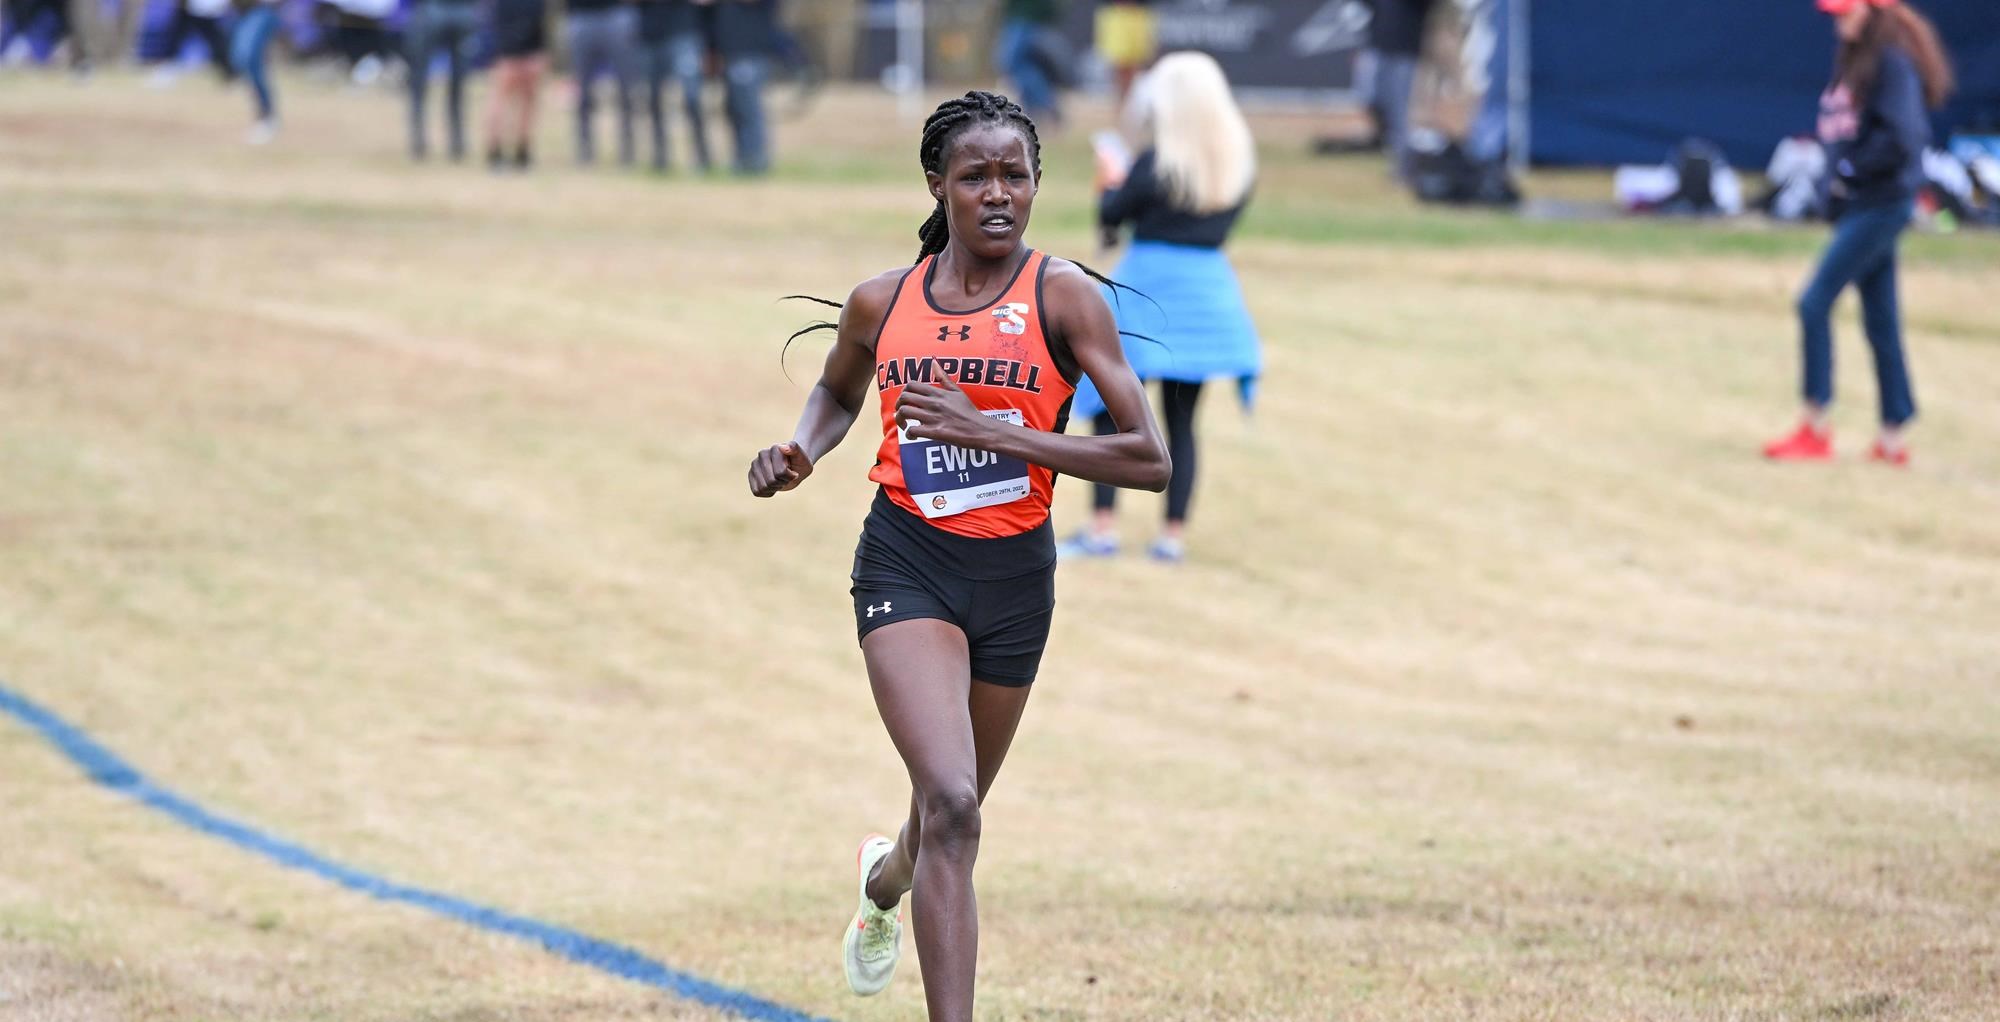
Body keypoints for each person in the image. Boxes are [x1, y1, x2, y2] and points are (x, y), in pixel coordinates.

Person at [745, 90, 1169, 1022]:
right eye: (975, 177)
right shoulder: (882, 301)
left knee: (945, 818)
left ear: (1036, 185)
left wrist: (1005, 437)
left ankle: (882, 887)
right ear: (939, 185)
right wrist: (801, 451)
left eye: (1015, 175)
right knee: (955, 801)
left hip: (1017, 580)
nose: (997, 194)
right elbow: (835, 391)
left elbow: (1149, 460)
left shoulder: (1064, 297)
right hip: (908, 562)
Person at [1061, 51, 1258, 564]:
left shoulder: (1156, 164)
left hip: (1146, 293)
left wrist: (1109, 180)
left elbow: (1113, 216)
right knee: (1183, 421)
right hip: (1207, 294)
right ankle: (1172, 536)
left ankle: (1102, 526)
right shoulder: (1235, 162)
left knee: (1113, 411)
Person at [1764, 0, 1953, 467]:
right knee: (1881, 320)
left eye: (1848, 11)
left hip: (1881, 204)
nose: (1839, 19)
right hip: (1860, 204)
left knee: (1813, 302)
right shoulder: (1856, 59)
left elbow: (1904, 137)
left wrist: (1850, 171)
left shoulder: (1891, 62)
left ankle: (1815, 425)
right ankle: (1893, 436)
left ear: (1875, 11)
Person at [633, 0, 711, 172]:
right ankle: (660, 158)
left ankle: (702, 157)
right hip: (651, 35)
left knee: (692, 98)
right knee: (653, 99)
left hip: (684, 31)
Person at [405, 0, 480, 160]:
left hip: (437, 11)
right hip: (459, 12)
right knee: (456, 84)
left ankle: (420, 140)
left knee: (420, 81)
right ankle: (455, 142)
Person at [564, 0, 636, 165]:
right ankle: (584, 151)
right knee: (583, 91)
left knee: (626, 89)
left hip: (617, 13)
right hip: (581, 15)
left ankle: (628, 149)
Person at [1370, 0, 1435, 180]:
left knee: (1400, 111)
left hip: (1405, 47)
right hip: (1378, 43)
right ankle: (1389, 147)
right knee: (1373, 97)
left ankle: (1404, 168)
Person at [484, 0, 547, 170]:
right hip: (510, 48)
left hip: (524, 47)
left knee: (526, 102)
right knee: (502, 101)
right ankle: (497, 151)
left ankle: (521, 151)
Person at [715, 0, 773, 175]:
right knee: (734, 110)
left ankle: (755, 159)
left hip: (749, 53)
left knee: (749, 110)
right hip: (730, 55)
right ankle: (742, 157)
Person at [995, 0, 1063, 126]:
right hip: (1024, 18)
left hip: (1026, 19)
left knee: (1011, 62)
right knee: (1025, 65)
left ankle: (1047, 103)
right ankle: (1034, 110)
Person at [230, 0, 282, 144]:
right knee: (240, 58)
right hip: (242, 10)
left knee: (249, 58)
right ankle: (263, 114)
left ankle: (266, 115)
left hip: (263, 9)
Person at [1094, 0, 1154, 113]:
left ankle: (1133, 110)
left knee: (1136, 68)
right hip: (1116, 13)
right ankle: (1120, 108)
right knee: (1118, 67)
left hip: (1139, 13)